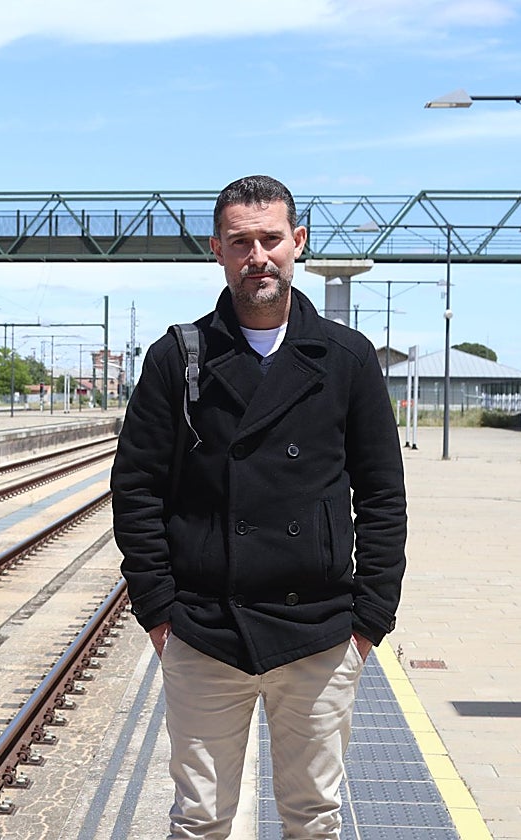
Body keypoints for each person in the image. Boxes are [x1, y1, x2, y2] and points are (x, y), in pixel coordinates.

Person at [111, 175, 407, 839]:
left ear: (297, 242)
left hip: (321, 635)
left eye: (271, 239)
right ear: (217, 249)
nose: (258, 256)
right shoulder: (175, 359)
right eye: (241, 242)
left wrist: (369, 623)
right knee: (199, 822)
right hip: (207, 631)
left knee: (313, 819)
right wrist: (160, 614)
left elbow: (382, 495)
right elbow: (136, 489)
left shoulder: (346, 358)